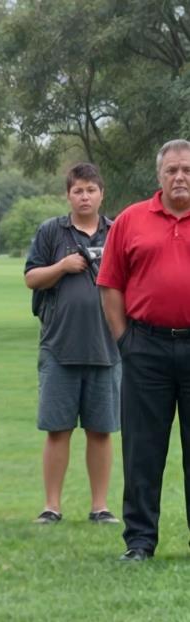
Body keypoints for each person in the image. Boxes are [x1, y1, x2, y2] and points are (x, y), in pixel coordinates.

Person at [98, 139, 190, 562]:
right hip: (145, 348)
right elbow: (110, 284)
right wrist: (125, 341)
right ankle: (139, 542)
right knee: (142, 449)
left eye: (186, 169)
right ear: (159, 175)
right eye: (172, 170)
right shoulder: (131, 220)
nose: (180, 177)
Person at [25, 162, 121, 525]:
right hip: (59, 347)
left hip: (107, 348)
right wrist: (62, 266)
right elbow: (32, 278)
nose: (85, 196)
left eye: (91, 190)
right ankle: (52, 507)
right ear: (68, 195)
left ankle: (100, 507)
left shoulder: (116, 232)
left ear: (101, 194)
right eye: (78, 190)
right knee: (57, 429)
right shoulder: (52, 232)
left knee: (101, 431)